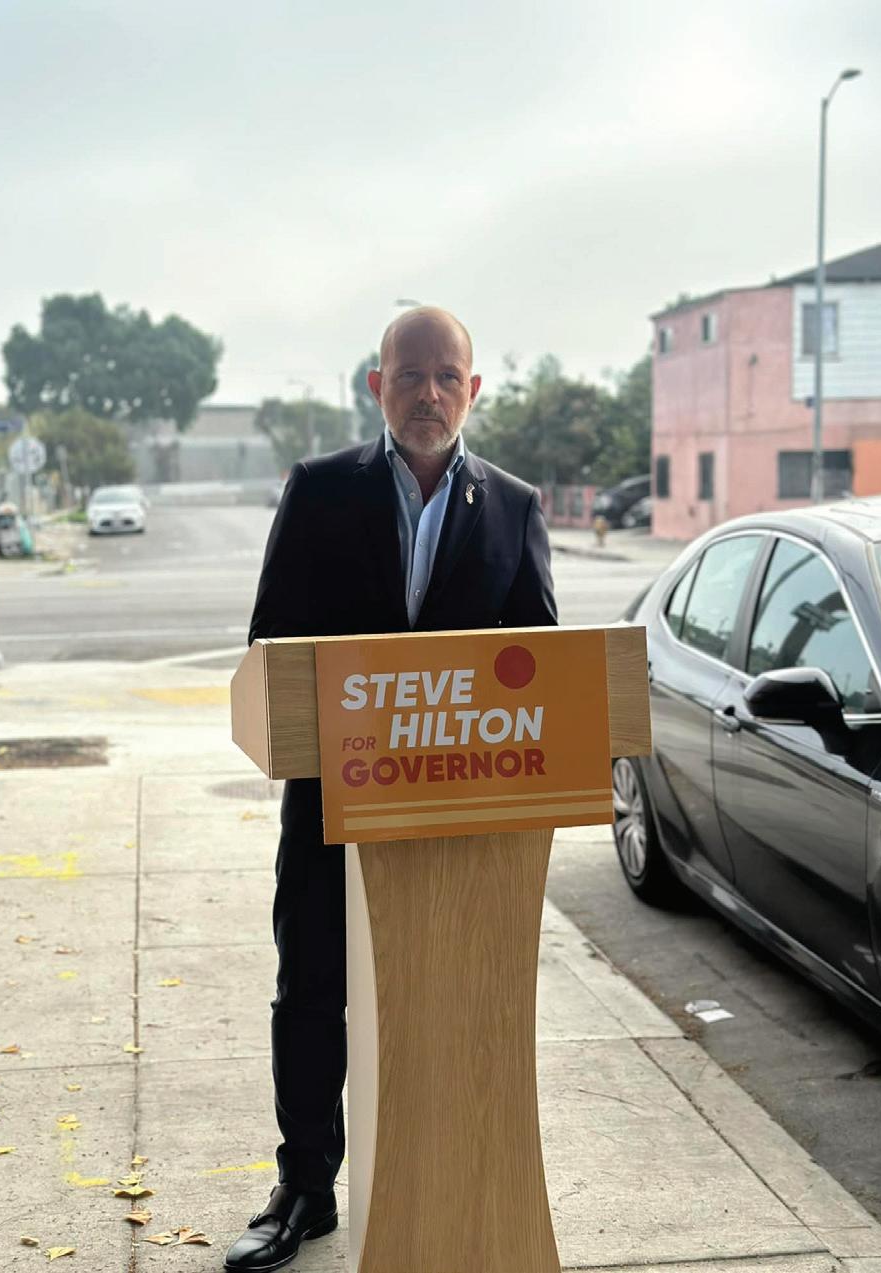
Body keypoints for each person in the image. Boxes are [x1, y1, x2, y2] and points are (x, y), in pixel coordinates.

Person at [224, 307, 557, 1272]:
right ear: (377, 385)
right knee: (311, 989)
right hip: (334, 797)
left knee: (437, 1000)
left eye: (447, 377)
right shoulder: (321, 489)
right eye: (409, 375)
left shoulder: (513, 506)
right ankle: (305, 1187)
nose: (428, 394)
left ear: (473, 390)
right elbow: (269, 641)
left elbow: (539, 666)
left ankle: (437, 1181)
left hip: (455, 817)